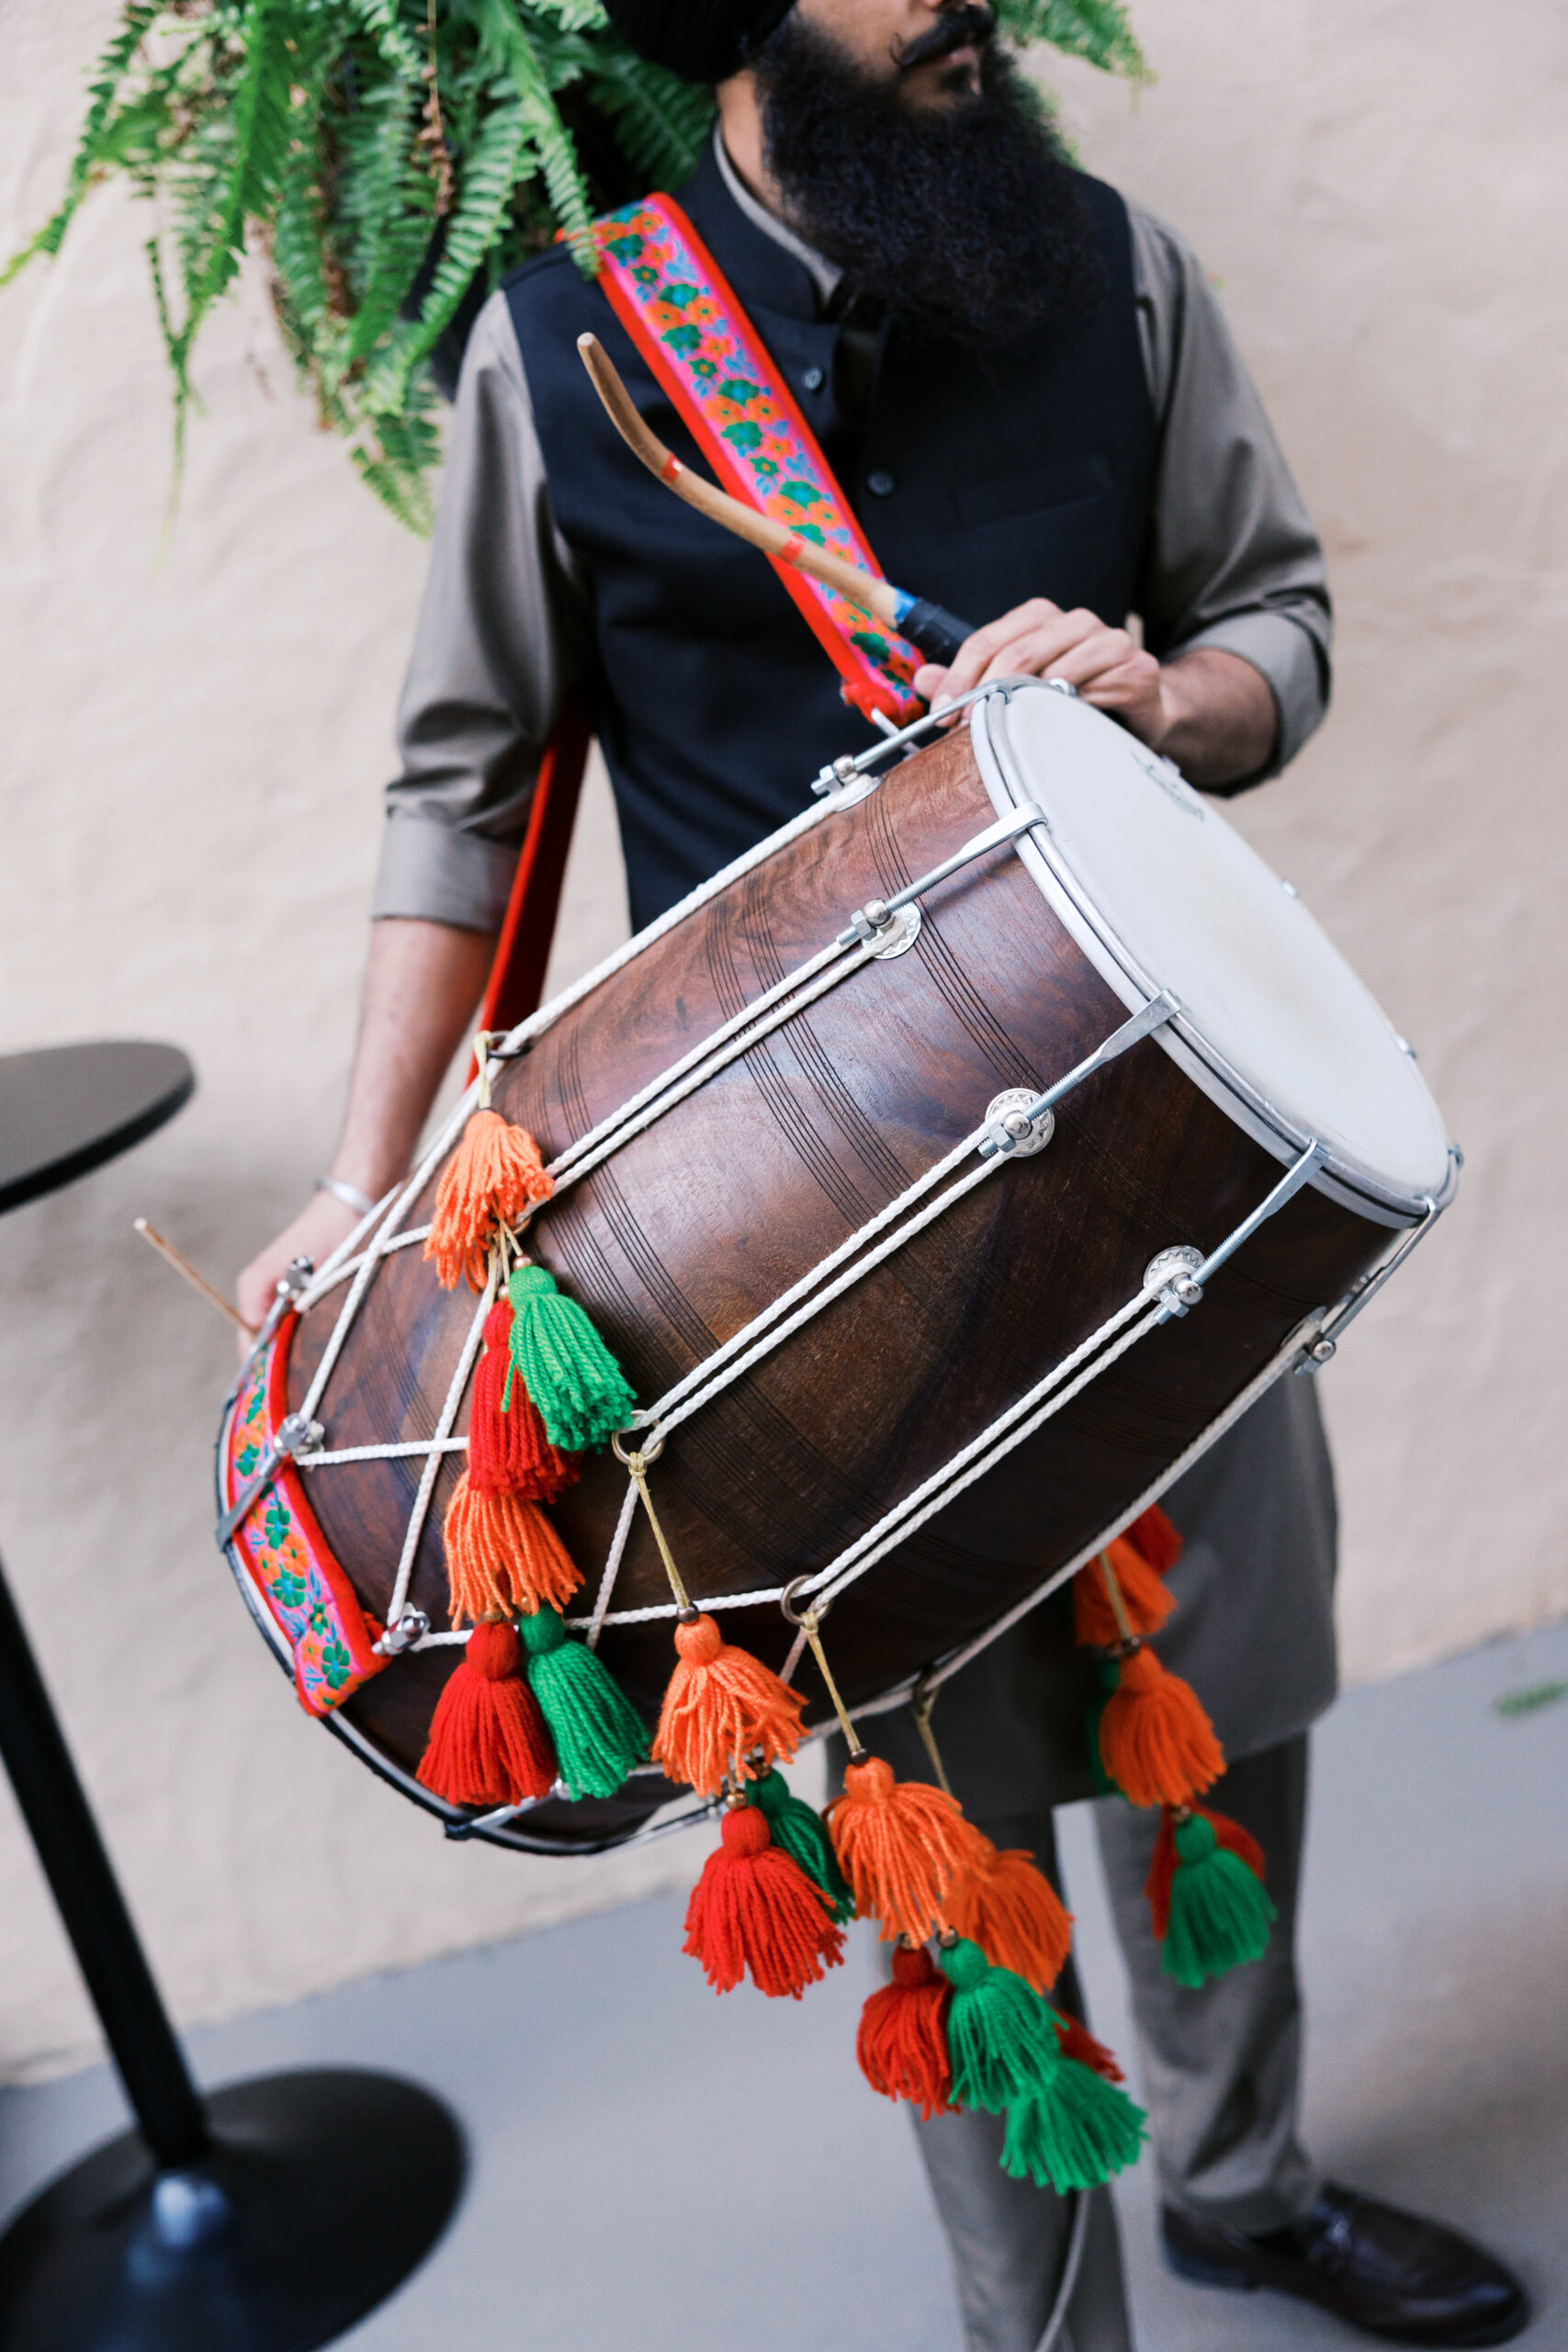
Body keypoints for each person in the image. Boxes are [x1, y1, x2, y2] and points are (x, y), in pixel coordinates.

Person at [238, 6, 1527, 2346]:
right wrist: (362, 1176)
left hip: (1155, 1157)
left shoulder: (1121, 275)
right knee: (927, 1786)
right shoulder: (566, 351)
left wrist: (1167, 693)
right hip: (772, 1228)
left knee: (1222, 1688)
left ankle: (1237, 2176)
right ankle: (1035, 2322)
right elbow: (462, 790)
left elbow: (1278, 628)